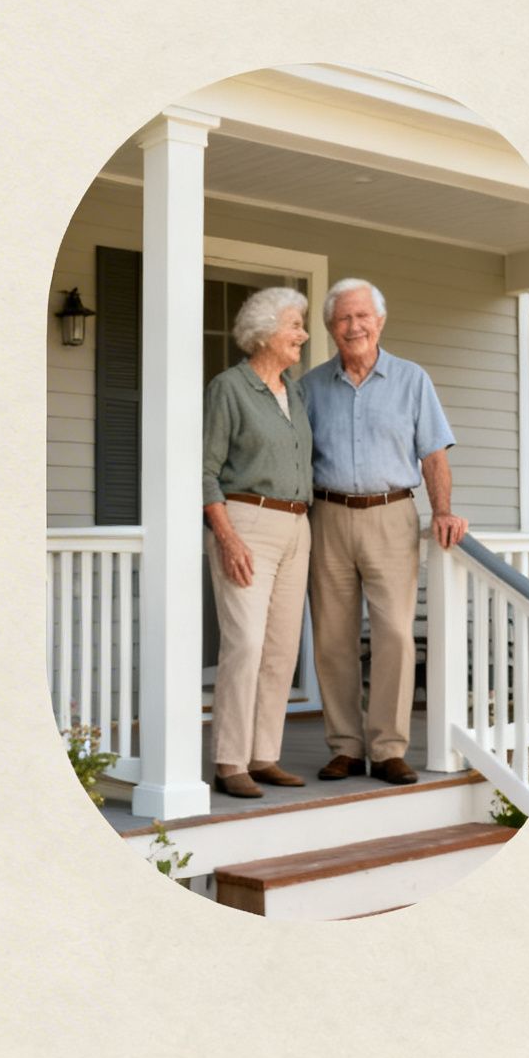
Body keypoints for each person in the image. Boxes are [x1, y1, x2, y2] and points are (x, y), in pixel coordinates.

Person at [299, 278, 464, 785]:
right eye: (343, 319)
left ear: (380, 321)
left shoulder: (413, 380)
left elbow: (433, 453)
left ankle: (389, 747)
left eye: (362, 316)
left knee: (393, 632)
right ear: (330, 328)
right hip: (326, 515)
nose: (354, 326)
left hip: (392, 514)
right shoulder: (309, 387)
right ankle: (345, 746)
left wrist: (442, 510)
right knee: (332, 637)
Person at [202, 287, 314, 800]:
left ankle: (263, 755)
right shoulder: (230, 388)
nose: (304, 335)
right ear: (266, 332)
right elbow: (204, 470)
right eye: (295, 325)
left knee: (280, 648)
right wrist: (225, 535)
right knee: (245, 643)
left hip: (297, 527)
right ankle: (230, 760)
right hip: (247, 521)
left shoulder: (296, 393)